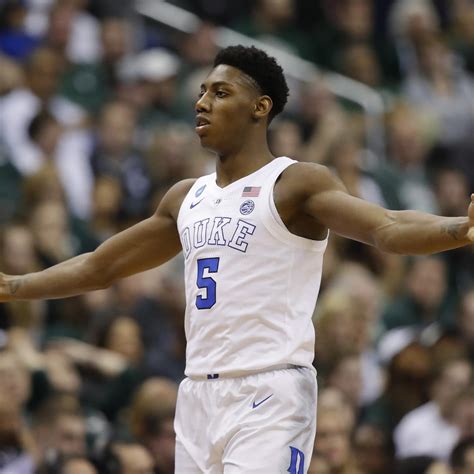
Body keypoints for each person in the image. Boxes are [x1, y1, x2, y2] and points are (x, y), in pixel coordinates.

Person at [0, 44, 473, 473]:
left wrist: (458, 228)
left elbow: (386, 226)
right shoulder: (186, 196)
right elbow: (100, 266)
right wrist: (13, 285)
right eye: (202, 92)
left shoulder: (294, 183)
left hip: (269, 390)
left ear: (260, 107)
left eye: (220, 93)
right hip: (197, 392)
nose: (202, 102)